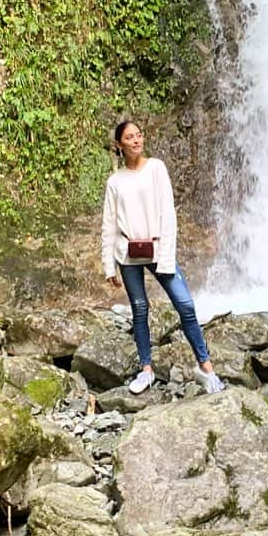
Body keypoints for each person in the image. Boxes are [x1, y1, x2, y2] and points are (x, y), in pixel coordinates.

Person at [101, 121, 225, 395]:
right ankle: (146, 370)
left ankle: (206, 367)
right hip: (128, 253)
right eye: (129, 138)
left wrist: (167, 256)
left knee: (185, 304)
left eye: (139, 135)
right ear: (120, 145)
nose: (136, 141)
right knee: (140, 310)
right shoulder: (115, 181)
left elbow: (168, 214)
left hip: (158, 249)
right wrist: (108, 265)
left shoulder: (156, 168)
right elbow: (109, 225)